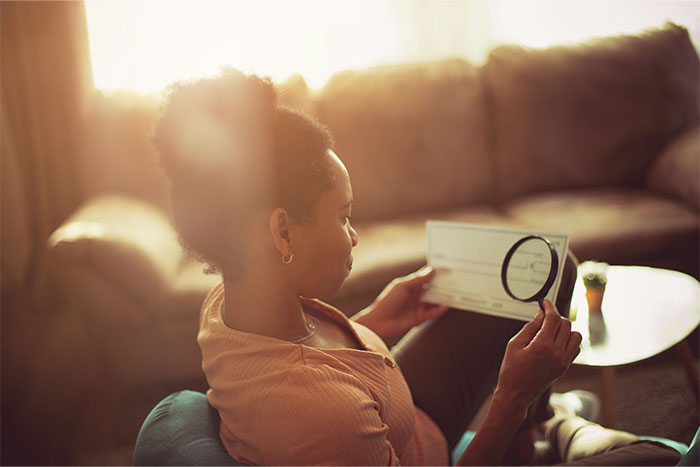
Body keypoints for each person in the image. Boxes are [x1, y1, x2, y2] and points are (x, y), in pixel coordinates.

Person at [151, 68, 683, 466]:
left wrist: (374, 322)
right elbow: (322, 398)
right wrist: (510, 398)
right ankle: (548, 425)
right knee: (660, 461)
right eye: (344, 215)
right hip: (419, 445)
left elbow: (308, 356)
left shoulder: (228, 304)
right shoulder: (322, 421)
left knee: (550, 266)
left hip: (393, 409)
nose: (354, 234)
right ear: (282, 231)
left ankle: (543, 427)